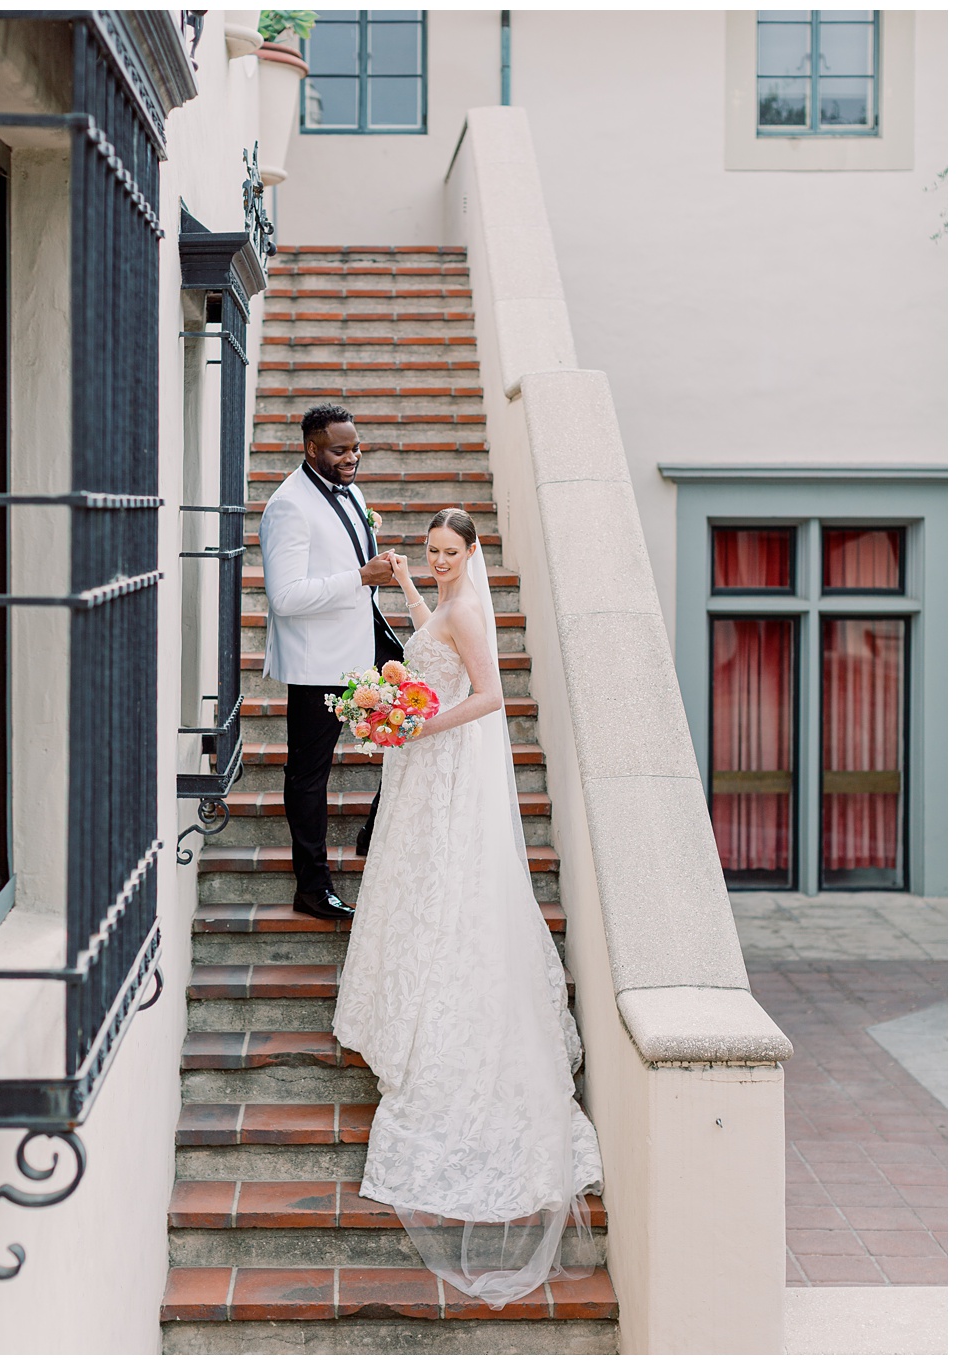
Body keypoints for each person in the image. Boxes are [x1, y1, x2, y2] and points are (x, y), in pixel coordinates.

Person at [332, 508, 604, 1307]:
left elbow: (486, 695)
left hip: (442, 761)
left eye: (450, 554)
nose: (441, 562)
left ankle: (438, 1022)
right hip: (425, 763)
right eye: (432, 552)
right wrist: (415, 590)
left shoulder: (473, 607)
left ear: (474, 551)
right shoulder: (450, 602)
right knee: (416, 886)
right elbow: (434, 642)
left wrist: (416, 723)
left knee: (445, 889)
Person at [257, 404, 402, 921]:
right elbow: (286, 597)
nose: (352, 457)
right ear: (310, 448)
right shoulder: (288, 506)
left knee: (425, 721)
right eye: (340, 450)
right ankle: (312, 887)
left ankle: (374, 832)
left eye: (355, 447)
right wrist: (360, 578)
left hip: (366, 642)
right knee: (308, 775)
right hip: (321, 666)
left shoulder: (353, 490)